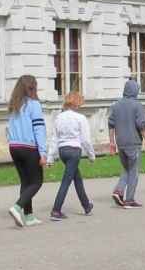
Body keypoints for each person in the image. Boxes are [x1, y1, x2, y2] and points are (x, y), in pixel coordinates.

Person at [6, 74, 47, 228]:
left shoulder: (14, 105)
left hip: (14, 146)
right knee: (36, 181)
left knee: (26, 182)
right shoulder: (34, 104)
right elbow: (38, 128)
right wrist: (43, 151)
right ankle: (17, 207)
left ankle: (29, 217)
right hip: (29, 147)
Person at [46, 91, 95, 219]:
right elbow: (85, 140)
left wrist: (50, 157)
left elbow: (54, 139)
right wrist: (91, 155)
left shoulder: (59, 117)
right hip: (74, 150)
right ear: (77, 103)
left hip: (62, 151)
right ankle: (56, 210)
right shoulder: (80, 118)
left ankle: (86, 205)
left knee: (76, 178)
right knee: (66, 181)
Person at [108, 79, 145, 208]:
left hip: (121, 143)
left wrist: (112, 142)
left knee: (127, 168)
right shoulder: (137, 105)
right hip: (133, 143)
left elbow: (111, 123)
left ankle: (118, 190)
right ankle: (129, 199)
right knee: (134, 171)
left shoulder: (116, 105)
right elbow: (141, 125)